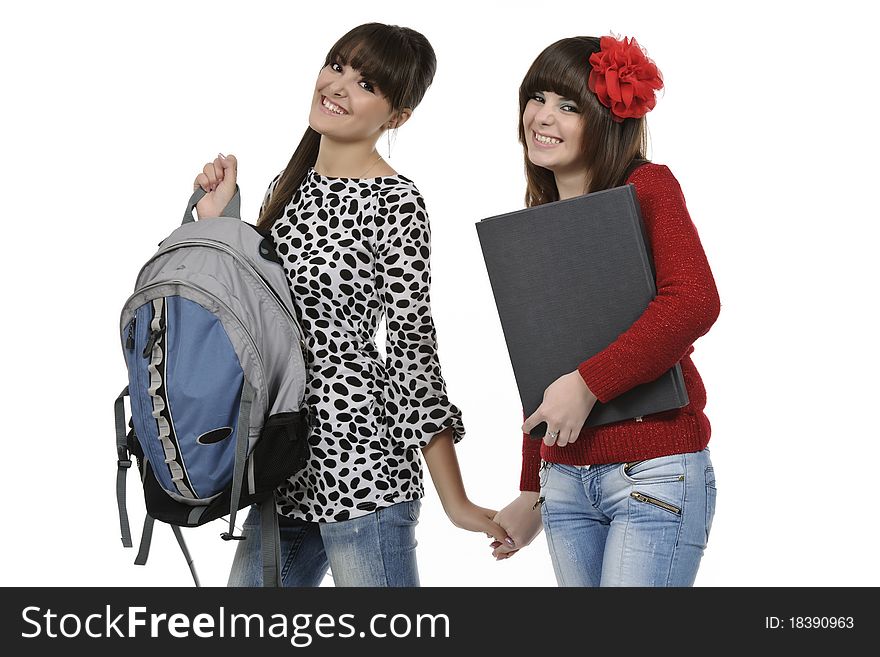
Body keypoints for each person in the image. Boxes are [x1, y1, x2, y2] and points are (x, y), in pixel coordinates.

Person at [193, 22, 511, 587]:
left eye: (366, 83)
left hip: (361, 464)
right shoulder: (286, 189)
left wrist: (455, 501)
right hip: (285, 463)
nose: (339, 85)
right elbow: (251, 321)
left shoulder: (397, 204)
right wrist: (217, 223)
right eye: (337, 66)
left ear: (397, 117)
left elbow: (413, 351)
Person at [489, 35, 721, 587]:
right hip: (565, 484)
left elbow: (693, 302)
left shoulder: (646, 185)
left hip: (653, 475)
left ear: (607, 118)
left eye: (569, 106)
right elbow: (546, 365)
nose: (543, 117)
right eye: (537, 98)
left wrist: (591, 383)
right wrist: (532, 488)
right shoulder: (540, 217)